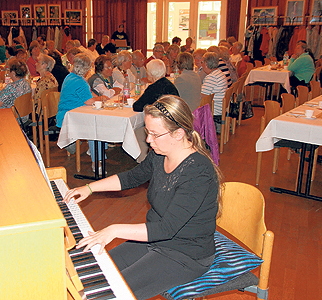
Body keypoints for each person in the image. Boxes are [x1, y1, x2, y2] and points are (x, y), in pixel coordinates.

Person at [64, 95, 222, 300]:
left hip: (186, 254)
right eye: (148, 132)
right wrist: (89, 188)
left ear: (179, 134)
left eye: (155, 134)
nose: (148, 140)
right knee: (92, 270)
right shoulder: (159, 155)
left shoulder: (198, 172)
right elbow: (132, 177)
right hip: (156, 240)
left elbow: (167, 228)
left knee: (108, 293)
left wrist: (113, 230)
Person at [57, 53, 107, 158]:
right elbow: (89, 101)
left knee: (97, 122)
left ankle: (98, 151)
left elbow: (89, 94)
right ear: (87, 69)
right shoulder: (79, 81)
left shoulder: (71, 77)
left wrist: (98, 97)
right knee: (95, 126)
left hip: (67, 113)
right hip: (69, 118)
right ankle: (97, 159)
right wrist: (101, 98)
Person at [201, 52, 228, 131]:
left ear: (206, 64)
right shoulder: (219, 73)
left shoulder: (212, 77)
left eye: (202, 62)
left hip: (215, 109)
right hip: (221, 107)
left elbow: (202, 97)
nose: (201, 65)